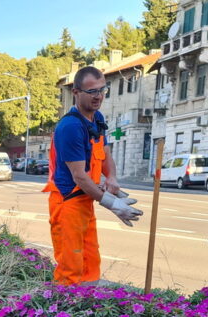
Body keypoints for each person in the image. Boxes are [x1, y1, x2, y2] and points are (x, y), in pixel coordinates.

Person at [43, 66, 143, 286]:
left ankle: (86, 306)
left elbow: (104, 153)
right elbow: (79, 176)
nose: (98, 96)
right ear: (76, 92)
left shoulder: (96, 118)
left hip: (85, 201)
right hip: (67, 202)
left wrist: (112, 178)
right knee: (71, 266)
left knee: (90, 261)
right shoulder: (70, 127)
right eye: (91, 91)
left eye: (102, 90)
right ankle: (63, 312)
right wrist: (112, 203)